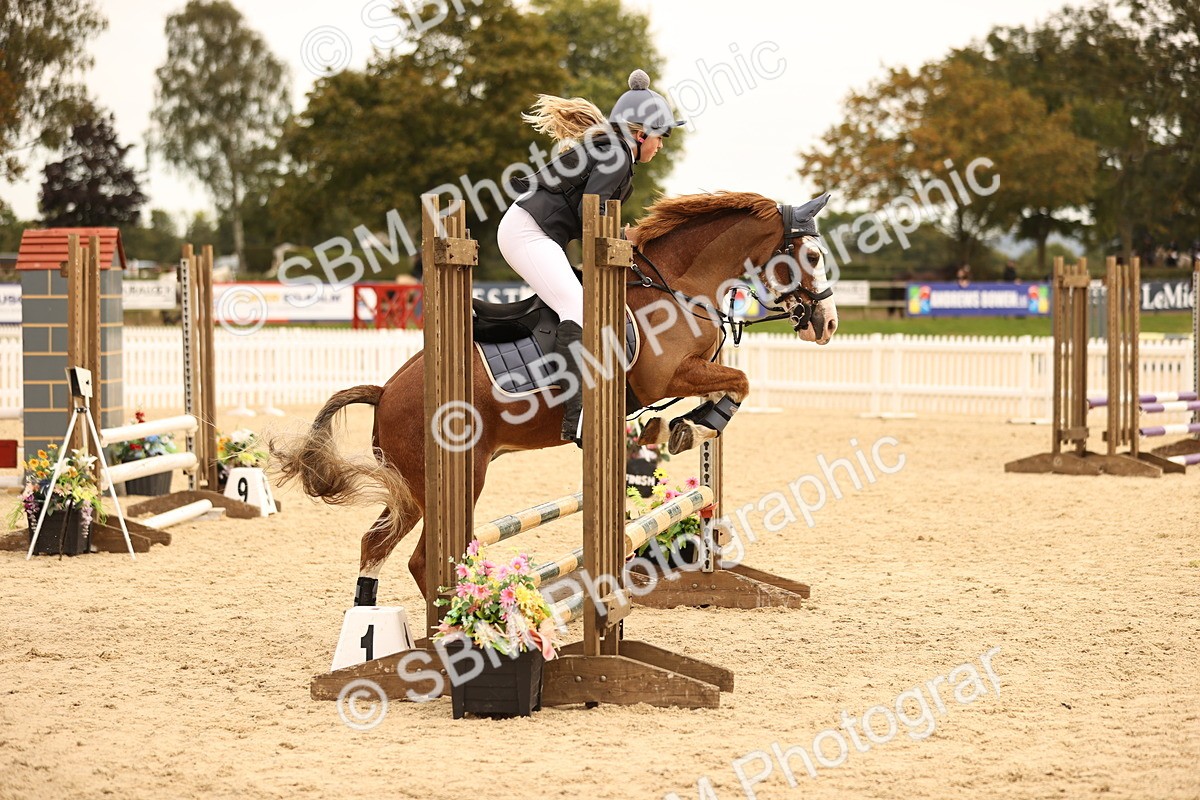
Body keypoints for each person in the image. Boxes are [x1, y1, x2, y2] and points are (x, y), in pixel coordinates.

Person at [499, 69, 683, 446]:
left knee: (581, 303)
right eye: (660, 137)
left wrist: (621, 239)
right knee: (578, 307)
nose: (661, 146)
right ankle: (577, 414)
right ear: (641, 134)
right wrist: (621, 240)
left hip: (534, 231)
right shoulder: (617, 154)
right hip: (527, 232)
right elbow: (592, 211)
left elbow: (596, 214)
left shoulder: (615, 151)